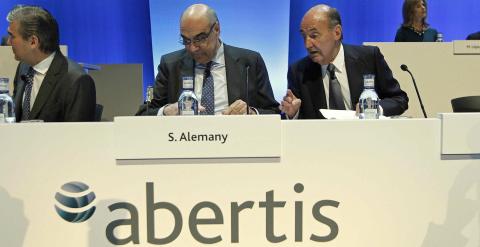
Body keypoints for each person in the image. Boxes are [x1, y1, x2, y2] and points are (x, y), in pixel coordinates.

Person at [136, 4, 279, 116]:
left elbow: (273, 112)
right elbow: (145, 112)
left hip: (236, 143)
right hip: (185, 142)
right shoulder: (170, 64)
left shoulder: (250, 62)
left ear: (216, 29)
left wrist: (251, 112)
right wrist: (167, 111)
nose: (192, 48)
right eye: (186, 40)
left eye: (200, 39)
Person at [281, 4, 408, 119]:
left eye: (314, 35)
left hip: (366, 138)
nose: (307, 44)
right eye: (304, 36)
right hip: (322, 141)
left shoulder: (369, 57)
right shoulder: (298, 71)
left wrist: (376, 108)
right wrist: (293, 113)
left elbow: (399, 99)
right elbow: (301, 120)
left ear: (337, 32)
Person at [7, 5, 96, 122]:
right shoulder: (24, 67)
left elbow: (78, 136)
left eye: (12, 36)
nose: (8, 42)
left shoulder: (77, 81)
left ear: (33, 41)